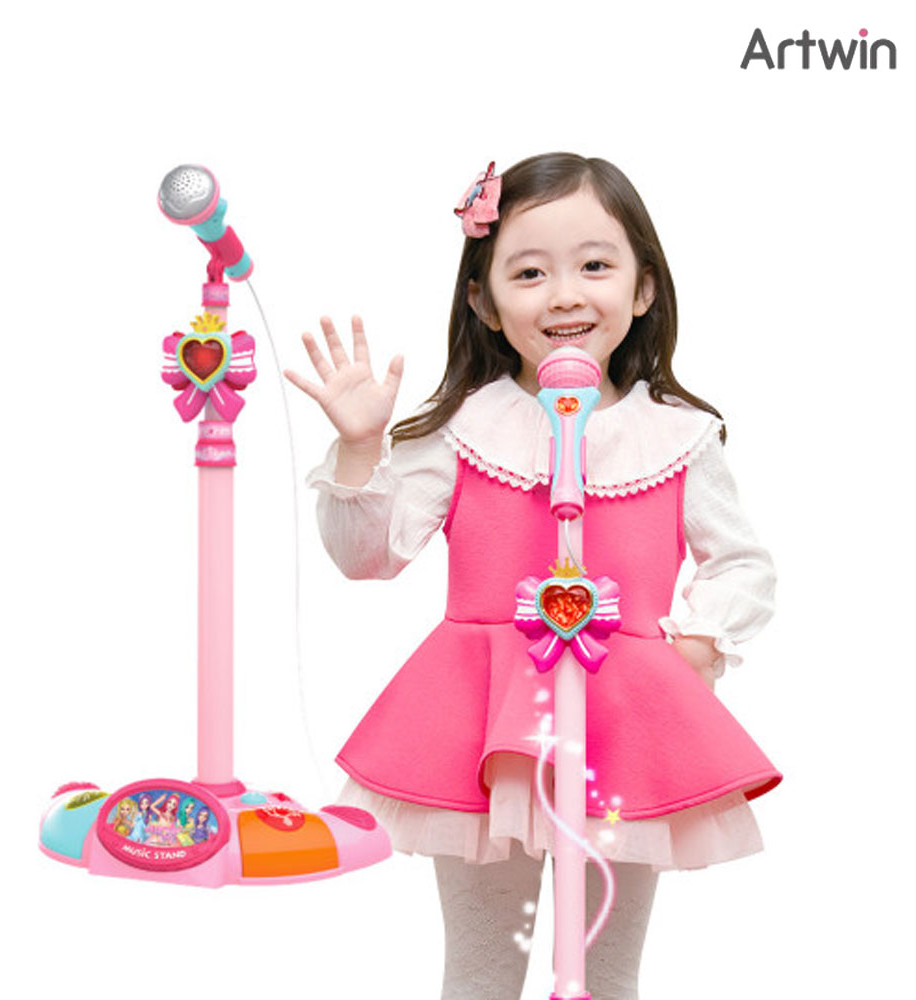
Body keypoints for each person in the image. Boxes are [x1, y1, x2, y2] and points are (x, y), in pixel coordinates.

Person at [285, 152, 780, 1000]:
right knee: (481, 969)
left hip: (624, 720)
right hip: (480, 724)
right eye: (528, 272)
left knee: (606, 968)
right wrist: (362, 448)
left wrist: (697, 646)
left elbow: (741, 562)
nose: (563, 295)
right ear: (482, 300)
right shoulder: (465, 428)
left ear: (643, 288)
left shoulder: (677, 435)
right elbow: (370, 557)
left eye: (595, 266)